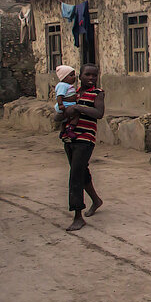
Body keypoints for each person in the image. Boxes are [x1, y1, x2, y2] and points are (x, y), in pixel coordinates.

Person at [61, 63, 105, 231]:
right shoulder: (71, 93)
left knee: (75, 176)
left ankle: (78, 216)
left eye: (94, 75)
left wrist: (78, 107)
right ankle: (96, 200)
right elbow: (60, 114)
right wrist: (62, 111)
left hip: (85, 139)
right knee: (80, 171)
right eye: (87, 75)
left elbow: (99, 113)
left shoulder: (97, 93)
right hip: (69, 138)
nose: (91, 78)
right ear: (80, 76)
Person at [53, 65, 79, 140]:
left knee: (66, 120)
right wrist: (60, 104)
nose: (74, 77)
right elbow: (59, 96)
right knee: (76, 115)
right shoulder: (62, 85)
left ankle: (62, 131)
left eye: (74, 75)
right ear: (63, 77)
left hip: (69, 105)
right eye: (71, 75)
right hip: (65, 105)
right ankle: (70, 129)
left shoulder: (67, 85)